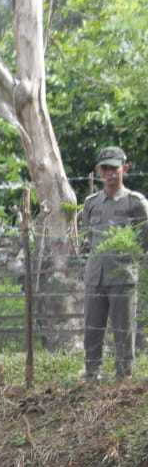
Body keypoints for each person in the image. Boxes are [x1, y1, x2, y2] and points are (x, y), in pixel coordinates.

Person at [78, 146, 148, 382]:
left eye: (114, 168)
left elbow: (144, 239)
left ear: (124, 169)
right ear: (98, 171)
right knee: (92, 329)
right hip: (95, 276)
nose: (109, 173)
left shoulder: (135, 203)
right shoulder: (91, 203)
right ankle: (91, 376)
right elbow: (88, 234)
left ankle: (123, 378)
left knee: (123, 329)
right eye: (105, 168)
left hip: (123, 276)